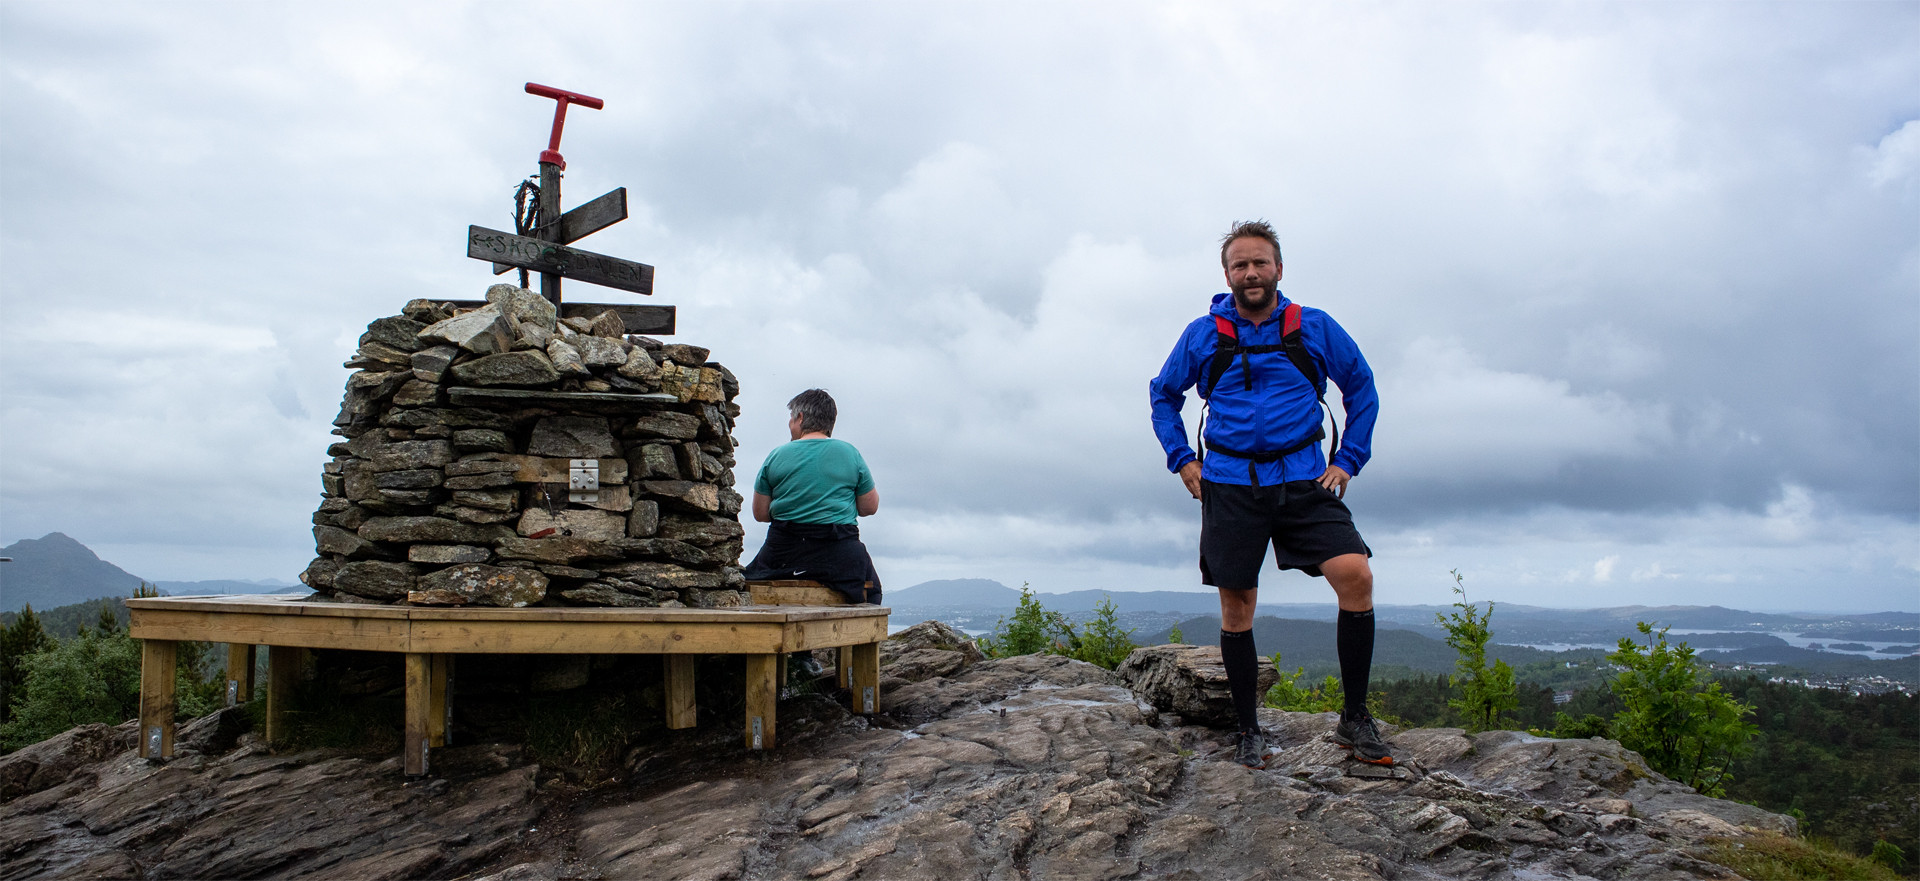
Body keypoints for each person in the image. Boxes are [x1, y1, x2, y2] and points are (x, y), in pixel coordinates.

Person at [1147, 220, 1389, 769]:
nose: (1251, 273)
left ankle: (1354, 718)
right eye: (1240, 265)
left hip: (1305, 477)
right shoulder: (1203, 334)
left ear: (1279, 269)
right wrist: (1183, 459)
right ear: (1227, 274)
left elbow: (1362, 388)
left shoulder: (1314, 328)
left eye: (1260, 263)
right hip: (1229, 482)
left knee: (1356, 575)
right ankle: (1248, 730)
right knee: (1237, 607)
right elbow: (1164, 395)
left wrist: (1348, 459)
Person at [742, 389, 882, 606]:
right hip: (840, 554)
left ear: (800, 418)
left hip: (784, 554)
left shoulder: (776, 455)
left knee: (745, 579)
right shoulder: (850, 453)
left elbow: (760, 514)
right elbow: (869, 507)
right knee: (872, 591)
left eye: (791, 418)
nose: (790, 424)